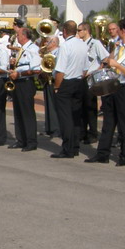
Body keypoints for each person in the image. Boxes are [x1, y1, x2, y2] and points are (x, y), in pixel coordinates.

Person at [85, 18, 125, 166]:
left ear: (123, 31)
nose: (116, 31)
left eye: (118, 29)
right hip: (113, 87)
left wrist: (118, 65)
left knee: (124, 124)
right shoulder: (119, 47)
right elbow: (109, 62)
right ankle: (102, 154)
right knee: (108, 122)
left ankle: (124, 156)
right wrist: (112, 53)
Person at [51, 21, 89, 158]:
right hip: (79, 82)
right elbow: (86, 69)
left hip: (67, 83)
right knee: (75, 116)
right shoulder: (83, 45)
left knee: (65, 118)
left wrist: (57, 87)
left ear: (65, 32)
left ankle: (67, 149)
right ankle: (75, 147)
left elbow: (60, 70)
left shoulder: (65, 46)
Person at [8, 27, 42, 151]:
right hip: (18, 82)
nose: (16, 37)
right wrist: (14, 65)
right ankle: (21, 140)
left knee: (27, 113)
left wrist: (19, 74)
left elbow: (36, 70)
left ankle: (31, 141)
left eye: (18, 35)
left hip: (26, 82)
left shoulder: (33, 49)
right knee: (18, 112)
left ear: (24, 36)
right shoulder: (22, 49)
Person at [77, 22, 108, 144]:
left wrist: (96, 71)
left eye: (79, 30)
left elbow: (105, 59)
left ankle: (93, 133)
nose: (78, 33)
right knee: (81, 106)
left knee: (90, 107)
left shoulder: (95, 43)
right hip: (81, 78)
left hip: (90, 77)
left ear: (86, 31)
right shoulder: (80, 44)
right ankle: (82, 132)